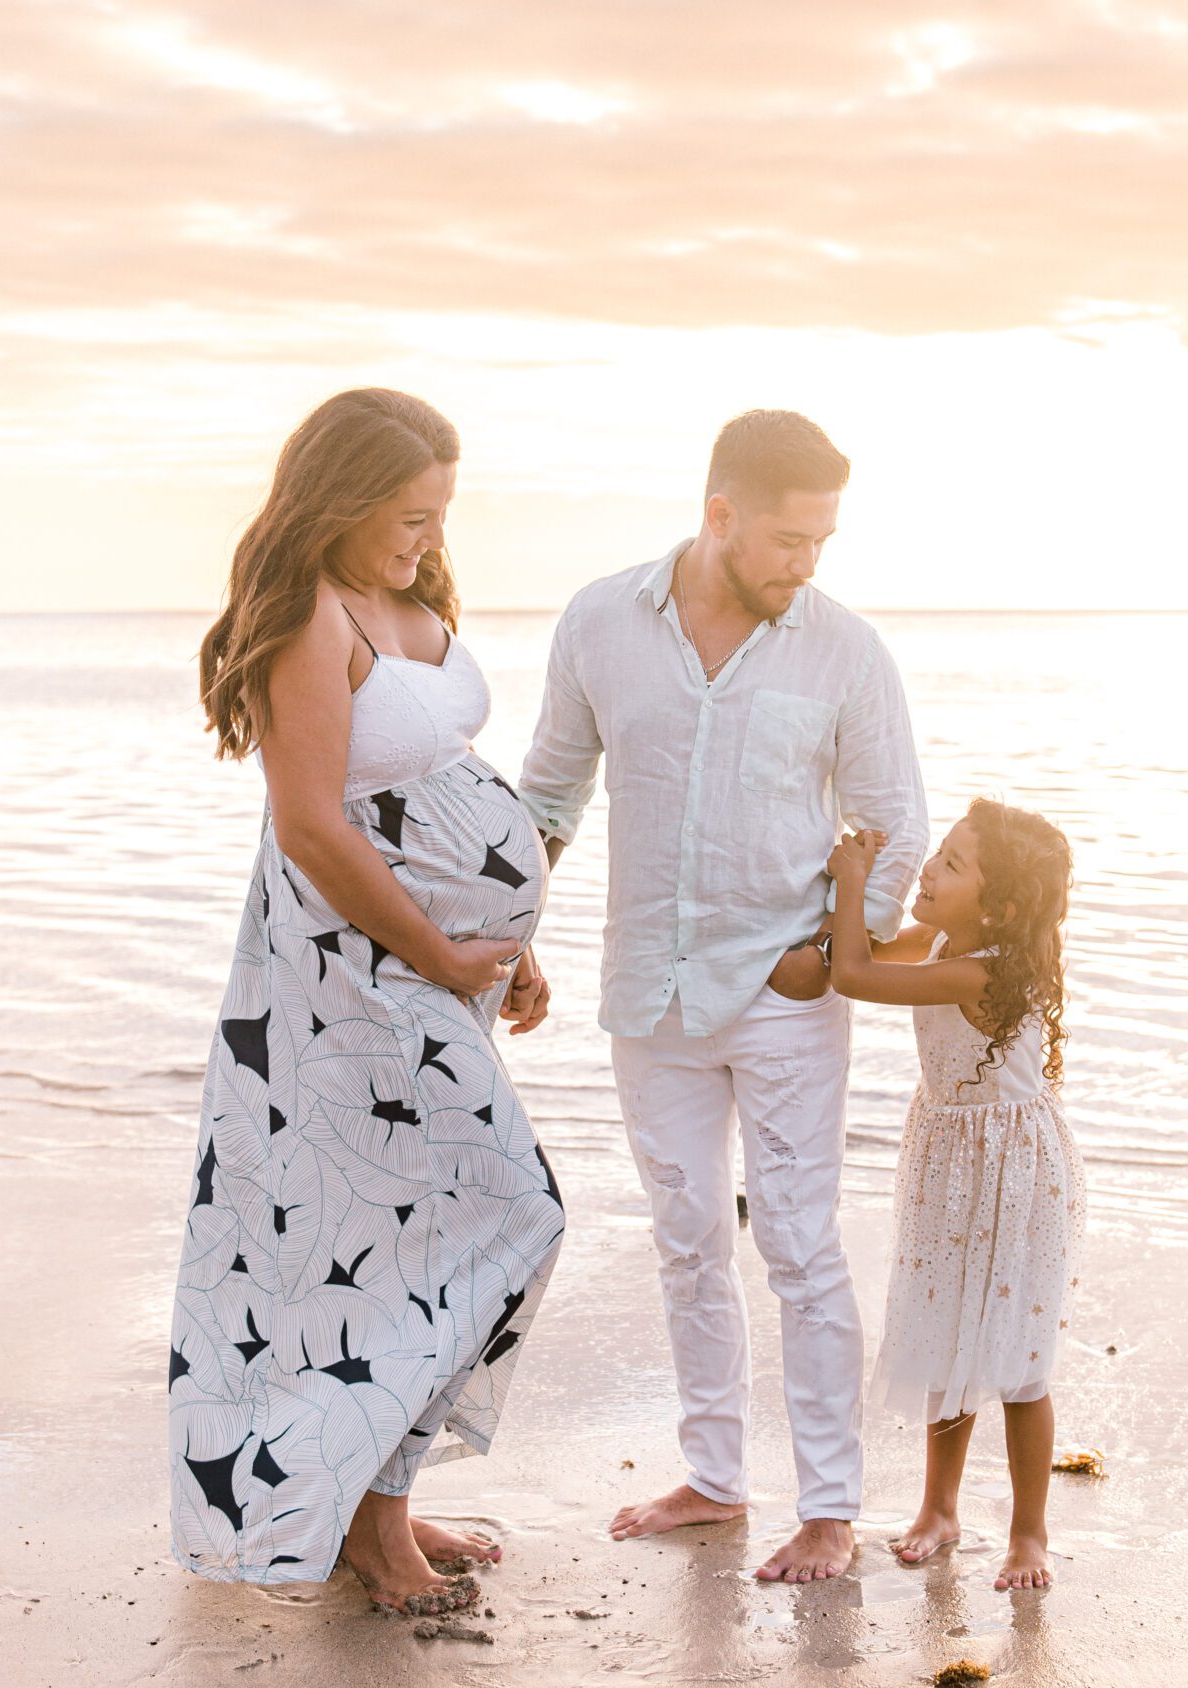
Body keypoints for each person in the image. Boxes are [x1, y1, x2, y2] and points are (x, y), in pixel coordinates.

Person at [167, 389, 564, 1617]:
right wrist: (443, 955)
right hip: (355, 980)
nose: (423, 540)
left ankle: (371, 1495)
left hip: (432, 975)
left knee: (423, 1237)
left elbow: (436, 780)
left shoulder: (407, 598)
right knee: (508, 1214)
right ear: (337, 503)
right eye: (404, 516)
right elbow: (311, 825)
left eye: (437, 516)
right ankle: (370, 1525)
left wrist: (510, 943)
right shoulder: (310, 618)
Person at [517, 409, 928, 1583]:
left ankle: (831, 1505)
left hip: (788, 992)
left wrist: (828, 951)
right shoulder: (600, 620)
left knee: (799, 1244)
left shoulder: (844, 651)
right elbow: (549, 794)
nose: (809, 563)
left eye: (824, 541)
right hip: (649, 992)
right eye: (792, 539)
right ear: (720, 515)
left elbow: (894, 821)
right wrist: (510, 938)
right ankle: (711, 1475)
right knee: (688, 1238)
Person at [824, 803, 1082, 1592]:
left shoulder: (987, 968)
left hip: (1014, 1173)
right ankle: (940, 1508)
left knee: (1018, 1363)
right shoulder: (943, 940)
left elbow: (854, 973)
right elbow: (865, 945)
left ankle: (1029, 1532)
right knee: (948, 1333)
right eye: (937, 853)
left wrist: (853, 876)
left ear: (999, 908)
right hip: (951, 1156)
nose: (930, 870)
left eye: (953, 866)